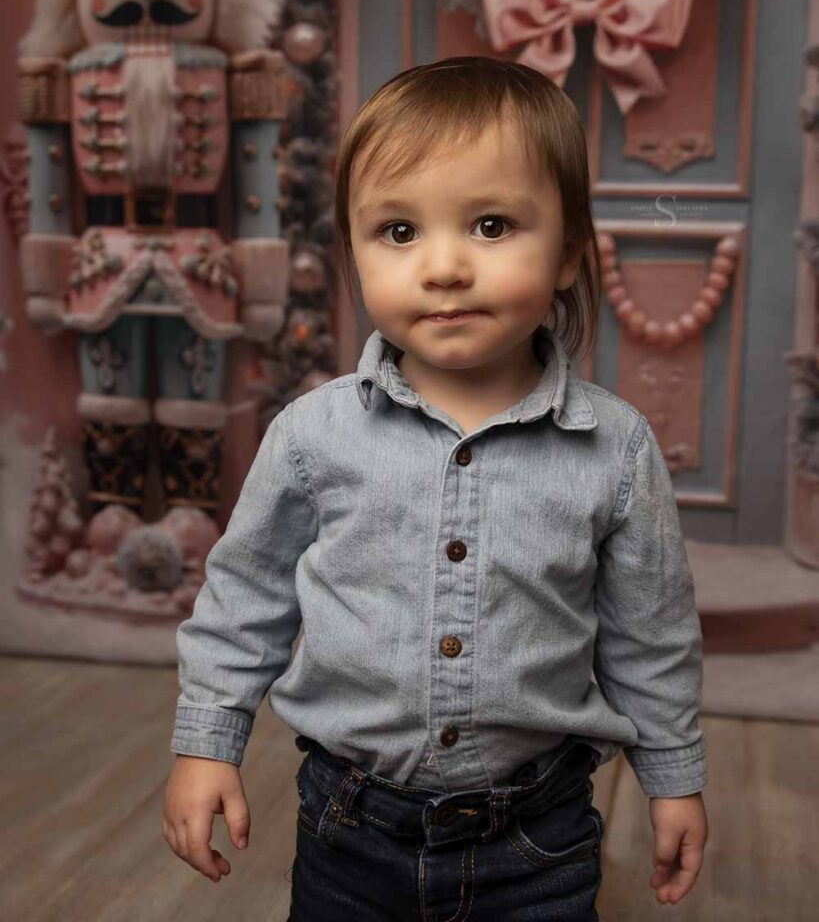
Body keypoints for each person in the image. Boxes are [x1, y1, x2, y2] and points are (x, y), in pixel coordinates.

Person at [162, 56, 709, 920]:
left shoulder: (615, 448)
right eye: (398, 231)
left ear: (568, 253)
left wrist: (672, 777)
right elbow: (244, 599)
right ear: (353, 253)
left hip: (539, 834)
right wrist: (206, 742)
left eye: (491, 225)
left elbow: (650, 633)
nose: (444, 267)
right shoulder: (313, 435)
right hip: (349, 827)